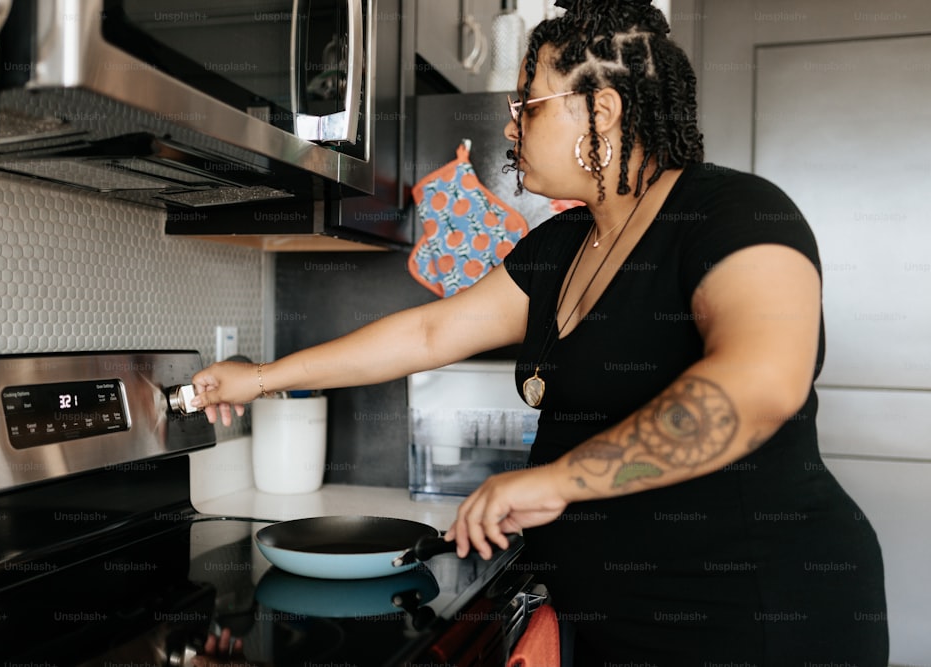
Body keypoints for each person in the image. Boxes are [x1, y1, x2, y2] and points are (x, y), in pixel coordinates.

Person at [190, 0, 889, 664]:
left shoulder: (733, 213)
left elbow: (759, 386)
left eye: (527, 103)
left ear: (603, 112)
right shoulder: (562, 244)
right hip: (617, 627)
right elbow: (430, 332)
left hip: (757, 621)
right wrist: (258, 378)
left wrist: (561, 481)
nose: (511, 124)